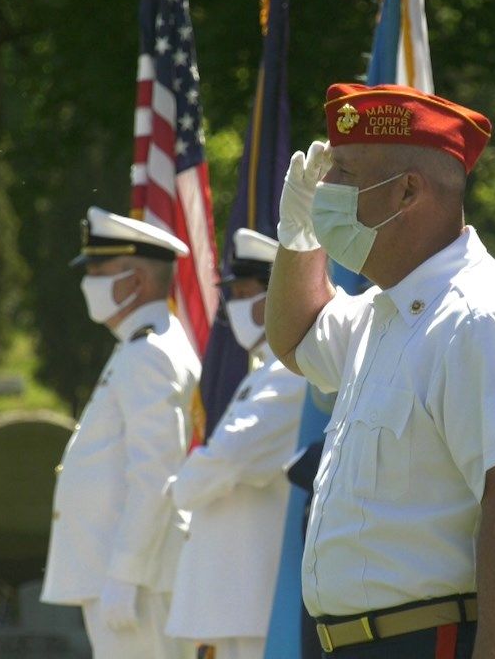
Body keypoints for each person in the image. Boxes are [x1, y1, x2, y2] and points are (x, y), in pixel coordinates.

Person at [265, 83, 495, 659]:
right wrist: (301, 233)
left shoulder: (480, 317)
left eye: (345, 173)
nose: (328, 189)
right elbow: (297, 334)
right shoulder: (388, 313)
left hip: (434, 641)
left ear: (407, 190)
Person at [42, 206, 200, 659]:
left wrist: (125, 574)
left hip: (134, 576)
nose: (87, 281)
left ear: (135, 281)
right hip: (125, 570)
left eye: (98, 270)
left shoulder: (147, 353)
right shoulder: (142, 346)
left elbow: (156, 472)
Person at [166, 228, 306, 659]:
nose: (236, 304)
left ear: (279, 293)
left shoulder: (290, 372)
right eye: (234, 292)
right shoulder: (264, 369)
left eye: (248, 291)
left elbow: (230, 455)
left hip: (255, 600)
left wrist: (183, 482)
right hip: (232, 601)